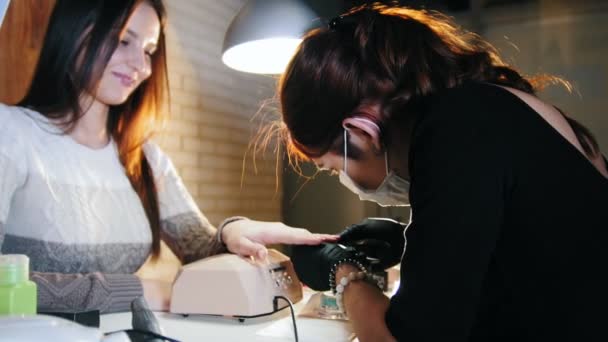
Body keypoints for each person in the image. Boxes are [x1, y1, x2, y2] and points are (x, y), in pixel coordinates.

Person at [276, 4, 608, 342]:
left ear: (361, 133)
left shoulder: (458, 126)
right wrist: (414, 240)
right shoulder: (494, 108)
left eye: (334, 169)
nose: (347, 181)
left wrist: (342, 272)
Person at [0, 0, 335, 314]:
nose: (141, 66)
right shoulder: (11, 133)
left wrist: (233, 232)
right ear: (72, 34)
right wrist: (134, 291)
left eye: (149, 50)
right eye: (122, 41)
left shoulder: (146, 158)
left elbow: (199, 248)